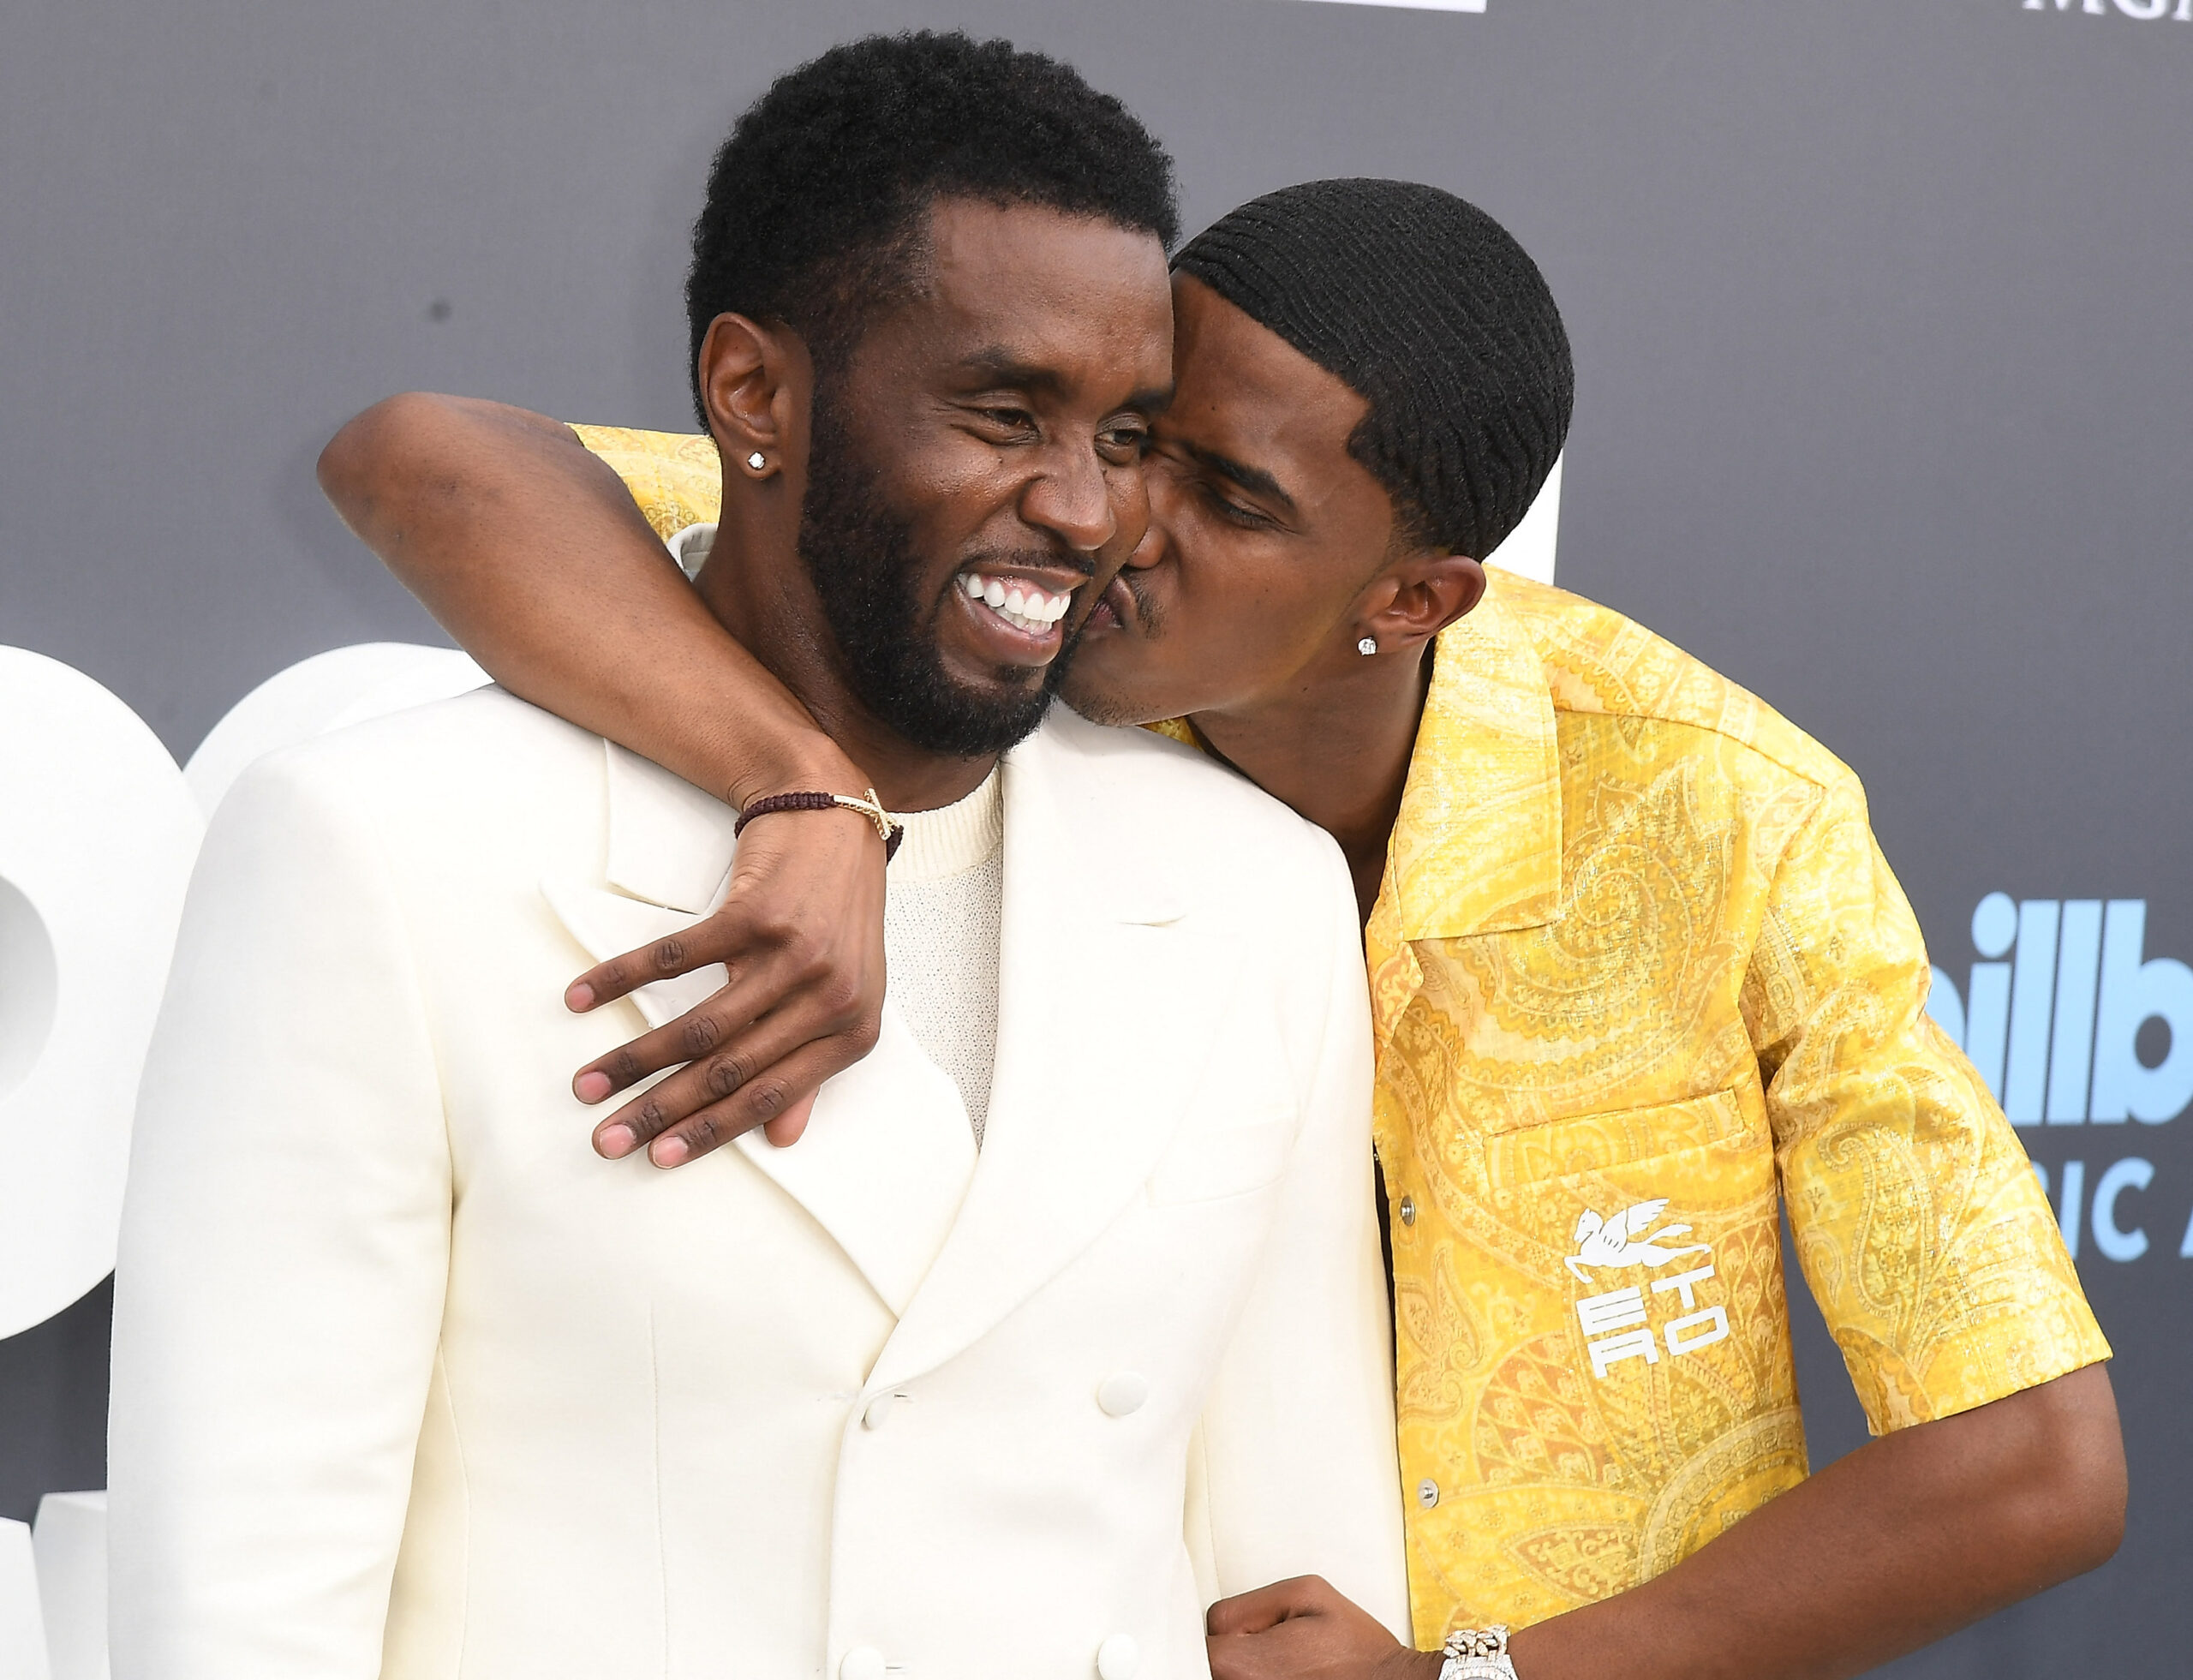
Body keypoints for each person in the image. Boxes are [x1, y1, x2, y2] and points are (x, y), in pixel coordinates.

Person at [326, 163, 2129, 1680]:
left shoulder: (1721, 812)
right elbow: (425, 454)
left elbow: (2034, 1461)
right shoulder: (998, 574)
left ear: (1412, 596)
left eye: (1227, 497)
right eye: (1135, 438)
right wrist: (793, 777)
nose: (1110, 519)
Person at [108, 36, 1411, 1680]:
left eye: (1129, 432)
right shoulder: (381, 850)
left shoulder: (1253, 895)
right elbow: (242, 1618)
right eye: (1004, 412)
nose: (1087, 510)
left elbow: (1300, 1589)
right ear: (752, 396)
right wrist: (803, 788)